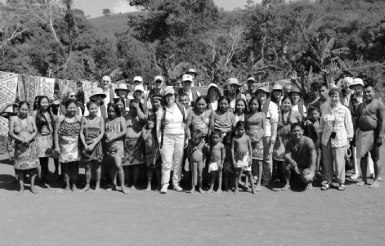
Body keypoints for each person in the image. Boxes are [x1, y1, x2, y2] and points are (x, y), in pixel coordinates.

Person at [318, 87, 353, 191]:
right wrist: (320, 135)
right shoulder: (325, 109)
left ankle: (341, 182)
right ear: (329, 97)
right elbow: (322, 124)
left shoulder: (344, 109)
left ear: (339, 97)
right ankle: (327, 181)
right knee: (327, 162)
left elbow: (349, 125)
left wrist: (349, 140)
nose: (334, 98)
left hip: (340, 138)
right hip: (326, 138)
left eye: (336, 96)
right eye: (332, 96)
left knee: (339, 162)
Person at [157, 86, 186, 194]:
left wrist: (185, 138)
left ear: (175, 96)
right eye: (167, 95)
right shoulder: (162, 109)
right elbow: (158, 128)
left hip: (180, 136)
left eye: (171, 95)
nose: (170, 97)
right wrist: (160, 141)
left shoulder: (181, 107)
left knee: (178, 161)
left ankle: (176, 183)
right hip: (167, 137)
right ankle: (164, 184)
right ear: (165, 97)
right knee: (167, 162)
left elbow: (185, 123)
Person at [355, 84, 385, 188]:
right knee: (363, 157)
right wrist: (355, 135)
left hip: (374, 134)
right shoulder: (360, 106)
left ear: (374, 92)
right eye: (365, 92)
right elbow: (357, 122)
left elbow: (383, 120)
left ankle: (376, 180)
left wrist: (381, 135)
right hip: (362, 134)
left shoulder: (379, 104)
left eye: (369, 91)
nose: (366, 94)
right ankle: (363, 179)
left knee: (375, 157)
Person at [9, 101, 39, 193]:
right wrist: (20, 139)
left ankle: (32, 186)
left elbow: (35, 131)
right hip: (19, 147)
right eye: (22, 109)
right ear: (18, 109)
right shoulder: (13, 119)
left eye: (26, 110)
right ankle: (21, 187)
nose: (24, 111)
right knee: (20, 169)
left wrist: (29, 138)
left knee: (33, 168)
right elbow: (10, 132)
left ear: (28, 110)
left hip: (31, 147)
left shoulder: (31, 118)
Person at [54, 99, 82, 191]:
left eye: (74, 107)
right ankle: (66, 184)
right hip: (64, 146)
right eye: (70, 107)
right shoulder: (61, 118)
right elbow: (56, 133)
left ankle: (74, 184)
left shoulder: (79, 118)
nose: (72, 109)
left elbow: (83, 133)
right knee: (65, 166)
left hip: (75, 146)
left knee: (74, 165)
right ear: (66, 108)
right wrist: (56, 146)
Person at [272, 96, 302, 184]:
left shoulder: (296, 113)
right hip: (280, 139)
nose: (287, 104)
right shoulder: (277, 113)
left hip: (292, 140)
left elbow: (300, 126)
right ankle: (282, 179)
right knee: (280, 160)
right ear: (281, 104)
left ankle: (293, 179)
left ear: (291, 104)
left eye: (289, 103)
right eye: (285, 102)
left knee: (292, 159)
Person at [208, 96, 235, 191]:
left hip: (227, 143)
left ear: (228, 105)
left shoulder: (231, 115)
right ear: (218, 104)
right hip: (216, 142)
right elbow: (211, 128)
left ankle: (226, 185)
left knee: (227, 164)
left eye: (225, 103)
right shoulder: (214, 113)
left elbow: (233, 128)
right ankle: (213, 185)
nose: (223, 105)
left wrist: (228, 137)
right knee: (215, 164)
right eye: (221, 103)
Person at [123, 94, 147, 190]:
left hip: (137, 143)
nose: (133, 109)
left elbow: (144, 119)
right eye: (132, 107)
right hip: (126, 143)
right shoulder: (125, 116)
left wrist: (138, 107)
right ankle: (128, 181)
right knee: (127, 165)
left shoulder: (140, 116)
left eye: (135, 107)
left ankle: (134, 183)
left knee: (136, 165)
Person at [283, 123, 316, 191]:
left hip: (307, 166)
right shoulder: (289, 142)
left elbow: (313, 156)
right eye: (294, 131)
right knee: (285, 163)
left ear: (302, 131)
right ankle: (287, 183)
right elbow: (287, 154)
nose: (296, 132)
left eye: (298, 130)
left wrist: (311, 170)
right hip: (296, 165)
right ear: (291, 132)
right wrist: (290, 160)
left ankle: (309, 182)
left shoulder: (308, 141)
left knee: (307, 178)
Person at [79, 101, 105, 192]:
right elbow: (81, 132)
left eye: (95, 108)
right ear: (88, 109)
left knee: (98, 166)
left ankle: (97, 185)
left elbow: (102, 133)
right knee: (87, 166)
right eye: (91, 108)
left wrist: (94, 143)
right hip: (86, 145)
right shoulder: (84, 118)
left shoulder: (100, 119)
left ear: (98, 108)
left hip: (97, 145)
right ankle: (87, 185)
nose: (93, 110)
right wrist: (85, 144)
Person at [255, 86, 278, 186]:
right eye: (259, 92)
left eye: (263, 93)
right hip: (256, 135)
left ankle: (267, 177)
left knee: (267, 157)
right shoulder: (254, 104)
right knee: (256, 156)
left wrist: (273, 136)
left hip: (267, 135)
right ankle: (256, 176)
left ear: (267, 94)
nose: (261, 94)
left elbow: (274, 122)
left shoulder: (272, 105)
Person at [104, 103, 128, 194]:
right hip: (109, 145)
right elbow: (104, 131)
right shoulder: (106, 120)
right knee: (112, 167)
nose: (111, 113)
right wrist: (107, 135)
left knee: (118, 165)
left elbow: (124, 131)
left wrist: (113, 137)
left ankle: (122, 186)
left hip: (118, 145)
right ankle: (113, 185)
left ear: (116, 111)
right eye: (109, 111)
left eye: (113, 111)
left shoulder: (121, 119)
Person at [33, 96, 54, 187]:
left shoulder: (50, 112)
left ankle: (45, 177)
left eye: (46, 102)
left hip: (49, 139)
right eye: (43, 102)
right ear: (39, 103)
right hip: (39, 138)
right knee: (40, 160)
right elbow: (32, 127)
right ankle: (40, 178)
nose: (45, 104)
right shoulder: (34, 113)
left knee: (46, 159)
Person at [245, 97, 265, 191]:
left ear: (259, 105)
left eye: (255, 104)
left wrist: (258, 138)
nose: (253, 106)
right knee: (248, 161)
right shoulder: (247, 115)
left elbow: (263, 129)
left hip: (258, 141)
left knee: (259, 162)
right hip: (249, 141)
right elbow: (245, 128)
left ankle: (259, 183)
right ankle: (246, 182)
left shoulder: (262, 114)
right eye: (252, 104)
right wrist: (249, 137)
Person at [232, 121, 255, 194]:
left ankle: (253, 189)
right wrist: (233, 160)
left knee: (249, 173)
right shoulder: (234, 138)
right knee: (237, 173)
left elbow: (250, 147)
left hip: (246, 157)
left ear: (245, 130)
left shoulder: (247, 137)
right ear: (236, 129)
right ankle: (236, 188)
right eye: (239, 129)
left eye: (242, 129)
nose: (240, 131)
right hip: (238, 157)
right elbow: (232, 149)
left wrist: (251, 157)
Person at [142, 116, 161, 191]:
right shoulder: (144, 129)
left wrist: (154, 129)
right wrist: (150, 129)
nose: (151, 122)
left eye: (152, 121)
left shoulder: (157, 130)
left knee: (157, 170)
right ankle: (149, 185)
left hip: (156, 152)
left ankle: (159, 185)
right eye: (149, 121)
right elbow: (144, 138)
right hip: (148, 152)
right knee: (149, 169)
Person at [304, 106, 322, 174]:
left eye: (315, 113)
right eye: (311, 114)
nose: (313, 115)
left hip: (320, 145)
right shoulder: (309, 123)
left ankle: (317, 171)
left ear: (319, 113)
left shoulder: (320, 121)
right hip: (313, 145)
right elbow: (309, 135)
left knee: (318, 159)